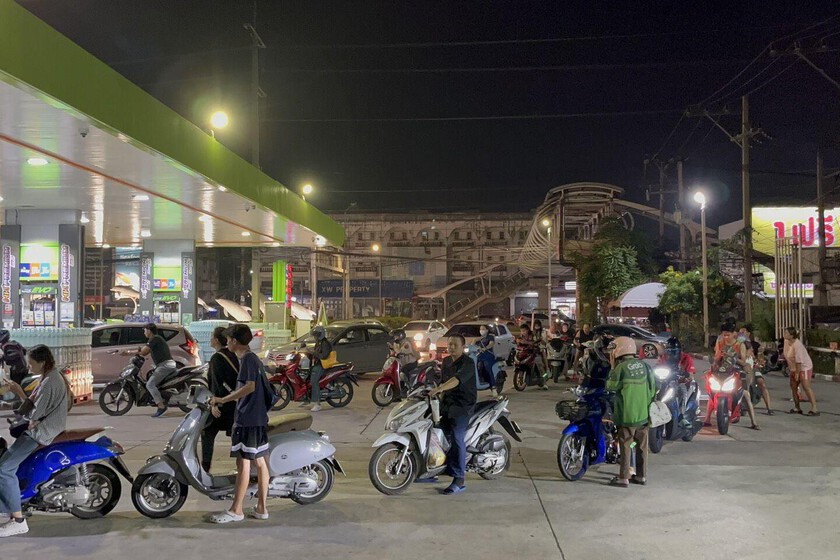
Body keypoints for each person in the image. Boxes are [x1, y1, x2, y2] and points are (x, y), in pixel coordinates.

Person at [0, 345, 68, 537]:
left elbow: (34, 414)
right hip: (41, 428)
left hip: (41, 432)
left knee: (4, 469)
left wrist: (19, 392)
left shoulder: (50, 382)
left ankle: (18, 521)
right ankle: (10, 503)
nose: (29, 367)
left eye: (31, 364)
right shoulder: (49, 377)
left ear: (42, 362)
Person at [208, 324, 271, 523]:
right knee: (259, 462)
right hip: (257, 418)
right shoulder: (253, 359)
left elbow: (249, 387)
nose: (227, 343)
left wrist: (223, 399)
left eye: (228, 340)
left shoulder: (247, 360)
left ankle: (236, 510)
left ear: (235, 341)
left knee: (243, 463)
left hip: (248, 419)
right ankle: (261, 508)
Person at [428, 334, 477, 494]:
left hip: (463, 406)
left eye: (455, 345)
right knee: (432, 432)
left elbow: (456, 380)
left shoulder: (468, 363)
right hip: (447, 404)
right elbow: (442, 381)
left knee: (456, 437)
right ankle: (433, 470)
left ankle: (459, 478)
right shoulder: (446, 361)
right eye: (450, 344)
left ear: (463, 347)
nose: (452, 347)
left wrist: (440, 388)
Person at [606, 336, 656, 488]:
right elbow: (655, 387)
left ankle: (623, 478)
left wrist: (611, 369)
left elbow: (610, 386)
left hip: (627, 415)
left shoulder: (620, 368)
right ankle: (641, 476)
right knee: (642, 446)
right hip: (643, 414)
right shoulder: (645, 366)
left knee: (626, 445)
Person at [202, 327, 240, 472]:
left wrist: (215, 403)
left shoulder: (217, 358)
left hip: (223, 405)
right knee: (236, 437)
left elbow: (218, 384)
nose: (210, 339)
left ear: (217, 340)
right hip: (235, 403)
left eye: (212, 336)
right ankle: (242, 466)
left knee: (207, 431)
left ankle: (205, 466)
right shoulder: (233, 355)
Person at [707, 324, 760, 430]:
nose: (726, 337)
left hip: (736, 372)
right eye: (724, 335)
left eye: (728, 335)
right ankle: (707, 419)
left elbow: (743, 361)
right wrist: (717, 357)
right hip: (721, 372)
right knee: (712, 393)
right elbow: (716, 359)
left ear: (733, 334)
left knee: (745, 395)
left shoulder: (740, 345)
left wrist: (732, 357)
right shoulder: (720, 343)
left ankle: (754, 422)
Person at [121, 323, 175, 417]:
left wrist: (128, 352)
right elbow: (144, 352)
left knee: (150, 384)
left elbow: (144, 351)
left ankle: (161, 406)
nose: (144, 333)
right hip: (163, 365)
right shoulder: (154, 339)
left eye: (145, 330)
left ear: (149, 330)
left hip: (165, 365)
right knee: (150, 376)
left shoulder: (155, 339)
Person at [658, 336, 695, 428]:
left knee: (683, 392)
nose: (671, 354)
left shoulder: (687, 358)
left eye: (674, 351)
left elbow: (691, 375)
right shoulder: (663, 358)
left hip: (681, 382)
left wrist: (686, 375)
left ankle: (681, 416)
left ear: (679, 351)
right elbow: (658, 367)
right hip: (666, 382)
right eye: (669, 351)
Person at [784, 327, 818, 416]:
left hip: (803, 367)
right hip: (793, 368)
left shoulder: (797, 345)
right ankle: (797, 407)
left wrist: (797, 373)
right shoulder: (786, 341)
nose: (785, 334)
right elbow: (787, 355)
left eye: (787, 333)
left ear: (792, 335)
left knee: (806, 386)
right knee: (793, 386)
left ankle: (814, 408)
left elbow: (799, 361)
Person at [740, 324, 772, 415]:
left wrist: (759, 360)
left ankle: (769, 408)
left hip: (753, 368)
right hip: (741, 368)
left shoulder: (755, 345)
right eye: (740, 333)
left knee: (761, 383)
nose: (741, 334)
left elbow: (759, 357)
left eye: (743, 332)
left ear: (748, 333)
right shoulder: (737, 345)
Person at [308, 326, 333, 412]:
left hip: (322, 365)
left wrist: (314, 353)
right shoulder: (319, 342)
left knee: (314, 381)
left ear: (320, 335)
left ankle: (317, 403)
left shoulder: (325, 343)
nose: (315, 337)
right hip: (318, 364)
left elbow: (324, 355)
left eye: (316, 335)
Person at [518, 324, 546, 390]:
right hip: (525, 353)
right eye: (521, 331)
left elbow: (538, 342)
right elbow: (518, 342)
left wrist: (528, 343)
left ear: (527, 330)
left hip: (535, 353)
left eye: (524, 331)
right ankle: (519, 382)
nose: (523, 332)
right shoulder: (521, 336)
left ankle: (545, 382)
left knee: (540, 367)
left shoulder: (533, 335)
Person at [476, 324, 498, 396]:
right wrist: (473, 341)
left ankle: (493, 387)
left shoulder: (490, 337)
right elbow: (472, 346)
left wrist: (485, 348)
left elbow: (491, 344)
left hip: (488, 355)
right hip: (480, 356)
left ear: (487, 330)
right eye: (480, 329)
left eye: (483, 329)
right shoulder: (479, 339)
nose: (481, 330)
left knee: (487, 366)